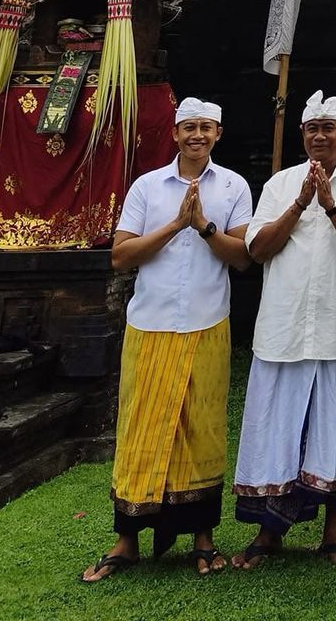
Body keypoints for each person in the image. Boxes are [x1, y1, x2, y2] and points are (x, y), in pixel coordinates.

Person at [81, 98, 252, 583]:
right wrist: (175, 224)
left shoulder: (234, 186)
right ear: (176, 134)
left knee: (202, 429)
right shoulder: (147, 187)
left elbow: (241, 258)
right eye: (189, 127)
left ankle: (202, 539)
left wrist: (202, 226)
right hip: (151, 324)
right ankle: (127, 540)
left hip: (206, 322)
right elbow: (120, 256)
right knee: (141, 426)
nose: (197, 135)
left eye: (206, 128)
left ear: (218, 133)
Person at [232, 91, 336, 570]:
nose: (320, 136)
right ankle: (267, 533)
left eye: (329, 128)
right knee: (274, 426)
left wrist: (332, 205)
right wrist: (300, 204)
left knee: (334, 429)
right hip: (284, 326)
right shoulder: (279, 184)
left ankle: (333, 532)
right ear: (302, 135)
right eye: (312, 128)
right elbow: (257, 250)